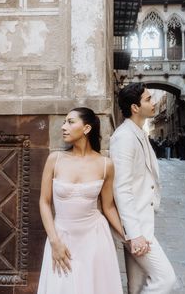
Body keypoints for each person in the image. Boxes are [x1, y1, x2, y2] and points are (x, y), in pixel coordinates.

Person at [37, 107, 124, 294]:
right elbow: (44, 202)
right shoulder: (55, 159)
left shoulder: (105, 165)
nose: (63, 127)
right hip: (61, 237)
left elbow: (108, 207)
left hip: (95, 237)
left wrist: (128, 237)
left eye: (70, 122)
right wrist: (54, 241)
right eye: (63, 122)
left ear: (86, 128)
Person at [110, 83, 176, 294]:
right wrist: (134, 234)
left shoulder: (138, 133)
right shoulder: (124, 137)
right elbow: (121, 188)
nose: (154, 102)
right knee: (165, 279)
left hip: (142, 222)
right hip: (136, 228)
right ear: (135, 107)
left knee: (136, 287)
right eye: (148, 99)